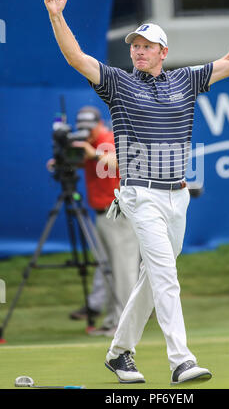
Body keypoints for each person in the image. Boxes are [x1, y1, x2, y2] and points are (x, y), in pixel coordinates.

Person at [44, 0, 229, 385]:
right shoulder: (119, 83)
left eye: (147, 46)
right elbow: (76, 57)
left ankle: (120, 353)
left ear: (163, 52)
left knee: (154, 279)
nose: (138, 50)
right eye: (135, 45)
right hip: (139, 194)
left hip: (178, 196)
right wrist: (56, 14)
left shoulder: (186, 80)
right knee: (166, 276)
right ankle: (181, 361)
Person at [50, 106, 140, 336]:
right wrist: (64, 162)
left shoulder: (109, 138)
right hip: (102, 213)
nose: (86, 134)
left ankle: (125, 325)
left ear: (98, 124)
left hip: (118, 212)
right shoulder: (89, 142)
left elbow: (122, 161)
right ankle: (112, 322)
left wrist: (94, 153)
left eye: (89, 129)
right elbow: (93, 166)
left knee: (124, 271)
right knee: (109, 270)